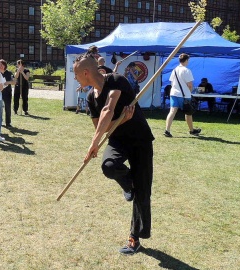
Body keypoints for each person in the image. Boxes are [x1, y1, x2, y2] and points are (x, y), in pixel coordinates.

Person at [73, 47, 154, 255]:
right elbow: (103, 125)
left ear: (85, 73)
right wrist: (120, 122)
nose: (75, 78)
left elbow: (109, 108)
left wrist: (94, 143)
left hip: (140, 140)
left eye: (75, 74)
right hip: (118, 140)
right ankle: (128, 186)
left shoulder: (116, 80)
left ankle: (134, 238)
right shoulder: (91, 97)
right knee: (109, 166)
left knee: (143, 193)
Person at [164, 53, 202, 137]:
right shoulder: (187, 70)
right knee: (188, 112)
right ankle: (191, 130)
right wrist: (190, 92)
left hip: (174, 93)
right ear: (186, 60)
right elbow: (190, 85)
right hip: (184, 95)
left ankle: (167, 130)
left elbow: (171, 82)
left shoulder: (174, 70)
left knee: (172, 111)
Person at [0, 59, 15, 127]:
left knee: (7, 107)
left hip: (7, 93)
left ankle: (8, 122)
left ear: (5, 65)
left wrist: (6, 82)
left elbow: (14, 82)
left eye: (2, 64)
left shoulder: (9, 73)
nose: (0, 66)